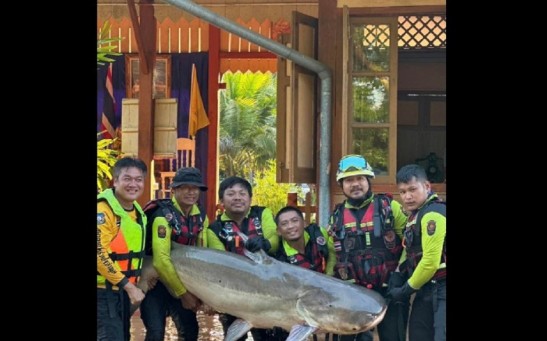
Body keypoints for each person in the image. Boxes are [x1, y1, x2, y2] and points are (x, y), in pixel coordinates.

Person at [327, 154, 409, 341]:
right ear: (341, 185)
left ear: (368, 180)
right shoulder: (336, 217)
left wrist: (398, 273)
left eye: (360, 178)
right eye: (349, 180)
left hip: (391, 290)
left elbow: (409, 244)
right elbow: (333, 254)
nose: (355, 184)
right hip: (352, 296)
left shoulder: (389, 207)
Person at [139, 167, 210, 341]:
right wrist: (183, 294)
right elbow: (161, 261)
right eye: (185, 187)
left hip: (182, 279)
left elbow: (203, 254)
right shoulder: (162, 216)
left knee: (190, 330)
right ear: (174, 189)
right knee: (156, 332)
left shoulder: (201, 217)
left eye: (195, 188)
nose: (191, 192)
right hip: (155, 283)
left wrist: (203, 294)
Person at [206, 176, 279, 341]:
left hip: (266, 294)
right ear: (221, 201)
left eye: (242, 193)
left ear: (250, 198)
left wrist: (265, 243)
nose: (237, 197)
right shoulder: (214, 229)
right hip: (233, 295)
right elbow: (220, 263)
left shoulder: (263, 214)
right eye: (231, 194)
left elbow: (274, 239)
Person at [387, 164, 446, 341]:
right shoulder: (414, 217)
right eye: (403, 192)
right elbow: (408, 250)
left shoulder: (433, 214)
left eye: (413, 189)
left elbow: (430, 262)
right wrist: (397, 274)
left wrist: (406, 289)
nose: (407, 196)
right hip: (425, 289)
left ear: (427, 186)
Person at [97, 156, 148, 341]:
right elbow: (98, 253)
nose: (133, 184)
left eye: (138, 179)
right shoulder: (103, 211)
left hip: (120, 293)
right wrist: (129, 286)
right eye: (127, 178)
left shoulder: (137, 212)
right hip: (102, 293)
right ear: (115, 180)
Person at [268, 205, 336, 341]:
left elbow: (333, 254)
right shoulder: (279, 257)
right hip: (299, 302)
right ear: (279, 231)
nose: (291, 226)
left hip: (325, 294)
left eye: (294, 221)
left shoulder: (319, 233)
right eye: (284, 224)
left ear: (304, 223)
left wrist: (328, 278)